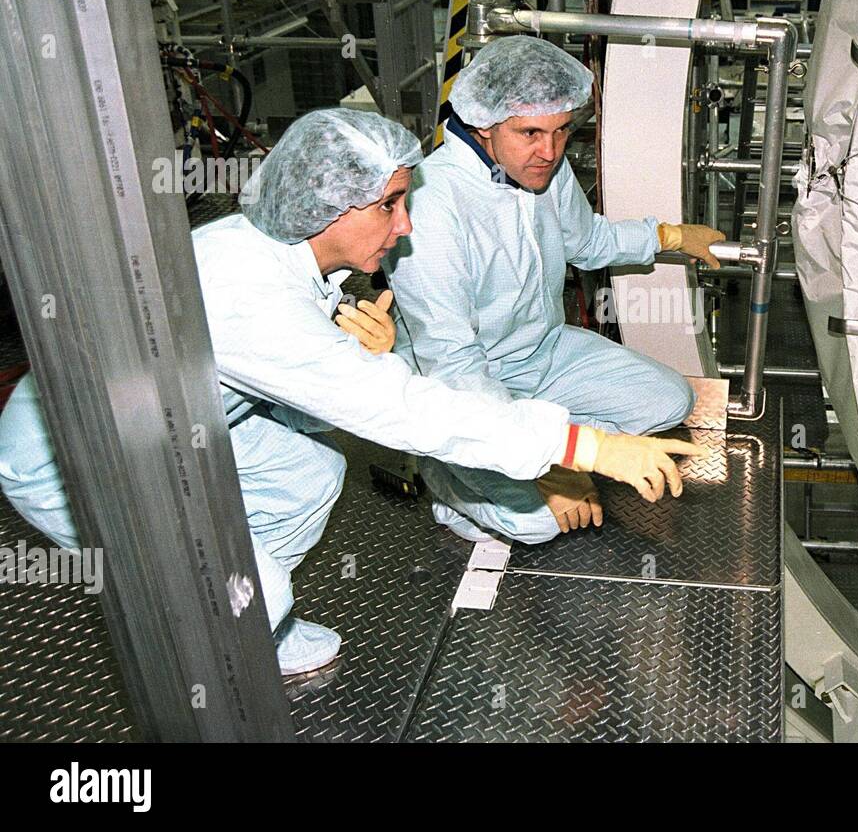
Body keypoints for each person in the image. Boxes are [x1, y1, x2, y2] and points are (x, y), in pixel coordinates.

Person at [0, 108, 703, 676]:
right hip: (78, 456)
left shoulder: (269, 244)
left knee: (309, 469)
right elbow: (398, 408)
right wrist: (585, 443)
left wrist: (347, 344)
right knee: (249, 597)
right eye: (392, 205)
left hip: (182, 421)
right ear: (333, 207)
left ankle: (238, 600)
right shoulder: (249, 296)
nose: (406, 225)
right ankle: (216, 642)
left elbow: (266, 375)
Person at [384, 36, 725, 545]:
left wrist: (668, 237)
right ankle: (440, 472)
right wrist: (548, 459)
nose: (549, 151)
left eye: (562, 131)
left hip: (546, 352)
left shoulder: (542, 166)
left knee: (669, 401)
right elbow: (452, 362)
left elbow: (586, 241)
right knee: (541, 522)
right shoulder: (433, 204)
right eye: (530, 132)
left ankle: (539, 437)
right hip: (463, 379)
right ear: (483, 124)